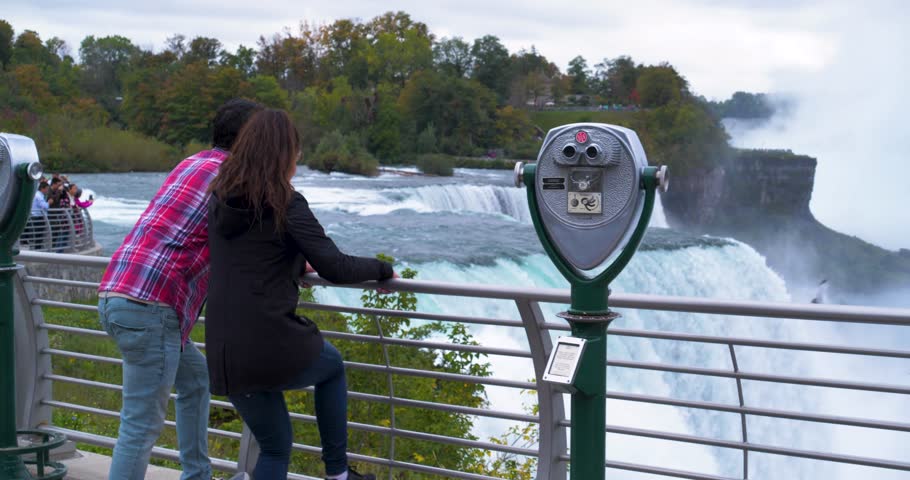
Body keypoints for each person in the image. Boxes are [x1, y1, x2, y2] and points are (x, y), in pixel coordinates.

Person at [206, 109, 396, 480]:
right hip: (267, 341)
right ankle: (338, 473)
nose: (297, 159)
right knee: (332, 367)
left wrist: (292, 263)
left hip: (224, 348)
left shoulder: (219, 199)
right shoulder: (285, 202)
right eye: (295, 151)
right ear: (284, 154)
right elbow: (336, 267)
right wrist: (383, 269)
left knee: (275, 449)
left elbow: (251, 255)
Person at [96, 98, 264, 480]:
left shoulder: (192, 162)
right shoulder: (237, 177)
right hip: (152, 306)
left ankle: (197, 475)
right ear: (251, 140)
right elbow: (257, 242)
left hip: (116, 292)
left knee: (196, 380)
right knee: (139, 427)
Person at [24, 181, 50, 248]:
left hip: (35, 217)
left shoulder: (37, 195)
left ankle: (35, 248)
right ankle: (37, 249)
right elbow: (45, 206)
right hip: (38, 218)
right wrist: (49, 203)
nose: (47, 190)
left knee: (36, 235)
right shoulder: (39, 196)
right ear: (42, 188)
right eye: (47, 188)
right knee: (38, 235)